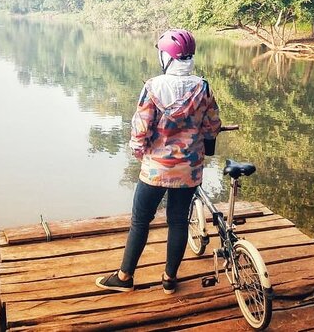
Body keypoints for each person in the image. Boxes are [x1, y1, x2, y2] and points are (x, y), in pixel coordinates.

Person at [95, 28, 221, 294]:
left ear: (168, 58)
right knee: (178, 221)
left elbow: (140, 129)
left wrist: (139, 151)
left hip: (155, 169)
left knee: (140, 221)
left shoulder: (152, 87)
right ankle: (169, 279)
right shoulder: (203, 87)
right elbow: (212, 126)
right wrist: (206, 146)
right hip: (188, 170)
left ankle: (125, 277)